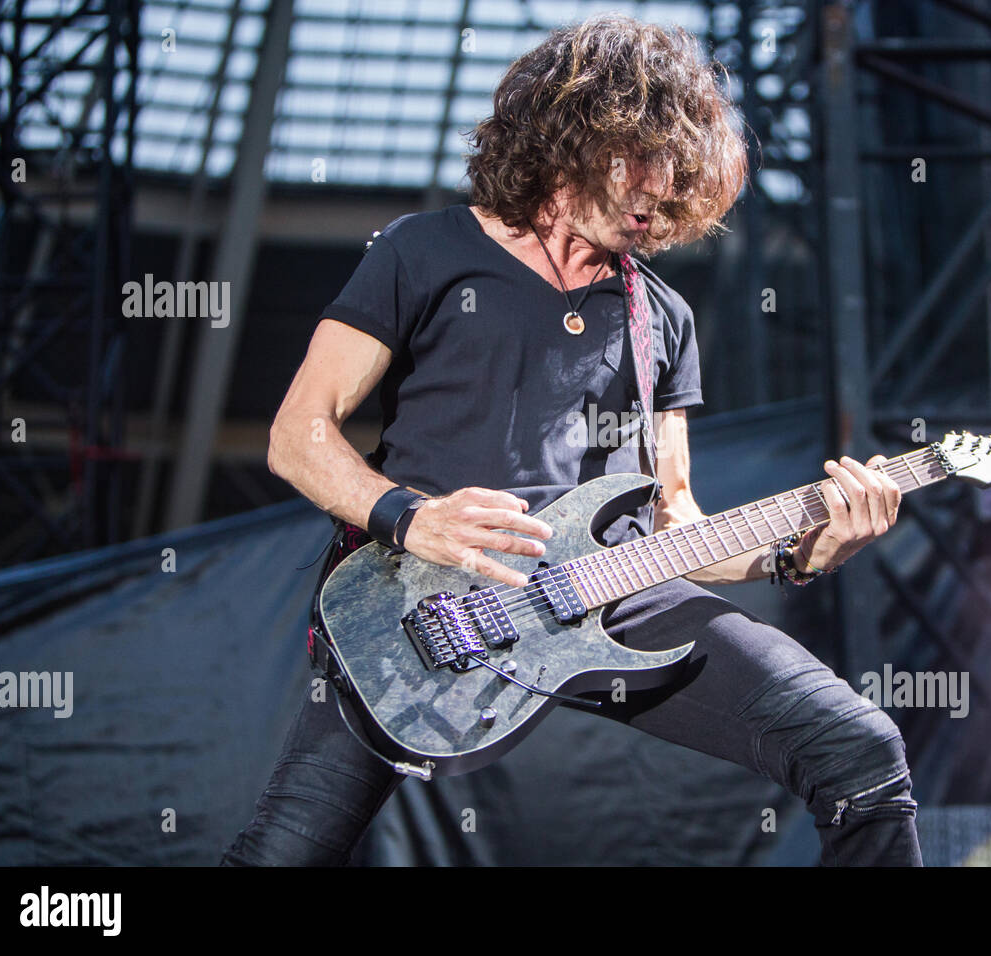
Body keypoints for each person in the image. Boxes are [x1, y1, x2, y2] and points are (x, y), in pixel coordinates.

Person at [221, 14, 921, 867]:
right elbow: (298, 434)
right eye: (643, 156)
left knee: (860, 750)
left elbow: (675, 520)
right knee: (281, 857)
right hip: (429, 597)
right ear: (573, 131)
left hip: (615, 592)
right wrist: (409, 517)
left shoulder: (661, 314)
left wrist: (800, 555)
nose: (659, 189)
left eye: (678, 172)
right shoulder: (425, 251)